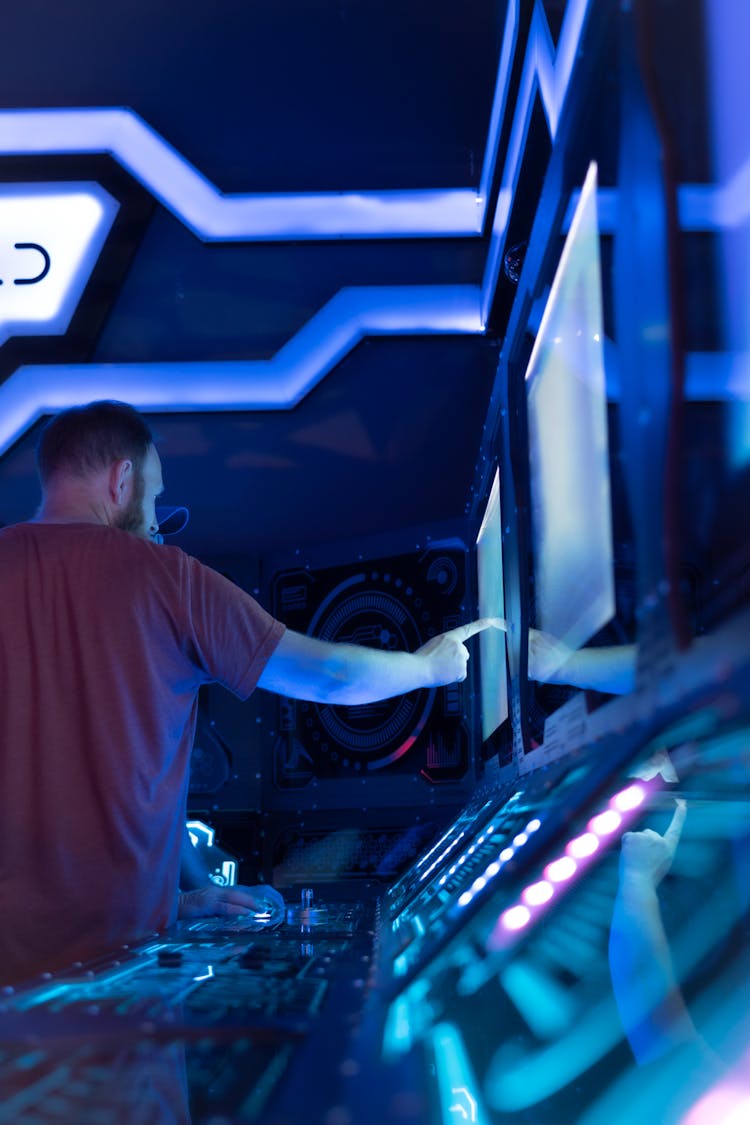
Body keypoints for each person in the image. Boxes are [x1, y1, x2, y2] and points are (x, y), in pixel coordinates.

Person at [0, 401, 499, 985]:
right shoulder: (166, 576)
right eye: (155, 496)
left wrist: (181, 899)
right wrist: (427, 668)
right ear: (122, 478)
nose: (154, 517)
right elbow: (326, 676)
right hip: (120, 982)